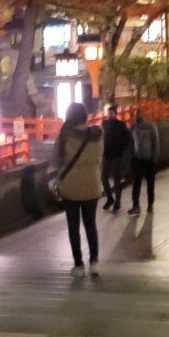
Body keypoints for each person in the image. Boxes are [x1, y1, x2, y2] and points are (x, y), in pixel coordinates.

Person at [54, 102, 104, 276]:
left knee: (73, 226)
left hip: (70, 186)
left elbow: (55, 161)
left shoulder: (64, 136)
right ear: (85, 116)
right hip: (92, 183)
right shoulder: (97, 135)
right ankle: (94, 261)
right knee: (91, 224)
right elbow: (100, 156)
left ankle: (78, 265)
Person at [128, 110, 160, 215]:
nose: (137, 117)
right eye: (136, 115)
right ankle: (136, 206)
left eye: (139, 115)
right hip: (138, 160)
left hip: (149, 160)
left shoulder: (150, 127)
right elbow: (131, 144)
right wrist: (132, 157)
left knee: (150, 184)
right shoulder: (133, 128)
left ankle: (150, 204)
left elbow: (155, 143)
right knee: (136, 185)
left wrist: (154, 158)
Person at [100, 104, 131, 212]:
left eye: (111, 113)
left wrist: (121, 149)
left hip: (117, 156)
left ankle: (117, 202)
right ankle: (110, 198)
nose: (109, 115)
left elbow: (127, 139)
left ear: (115, 114)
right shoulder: (104, 124)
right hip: (106, 156)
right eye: (108, 113)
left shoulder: (121, 125)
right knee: (104, 178)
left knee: (117, 180)